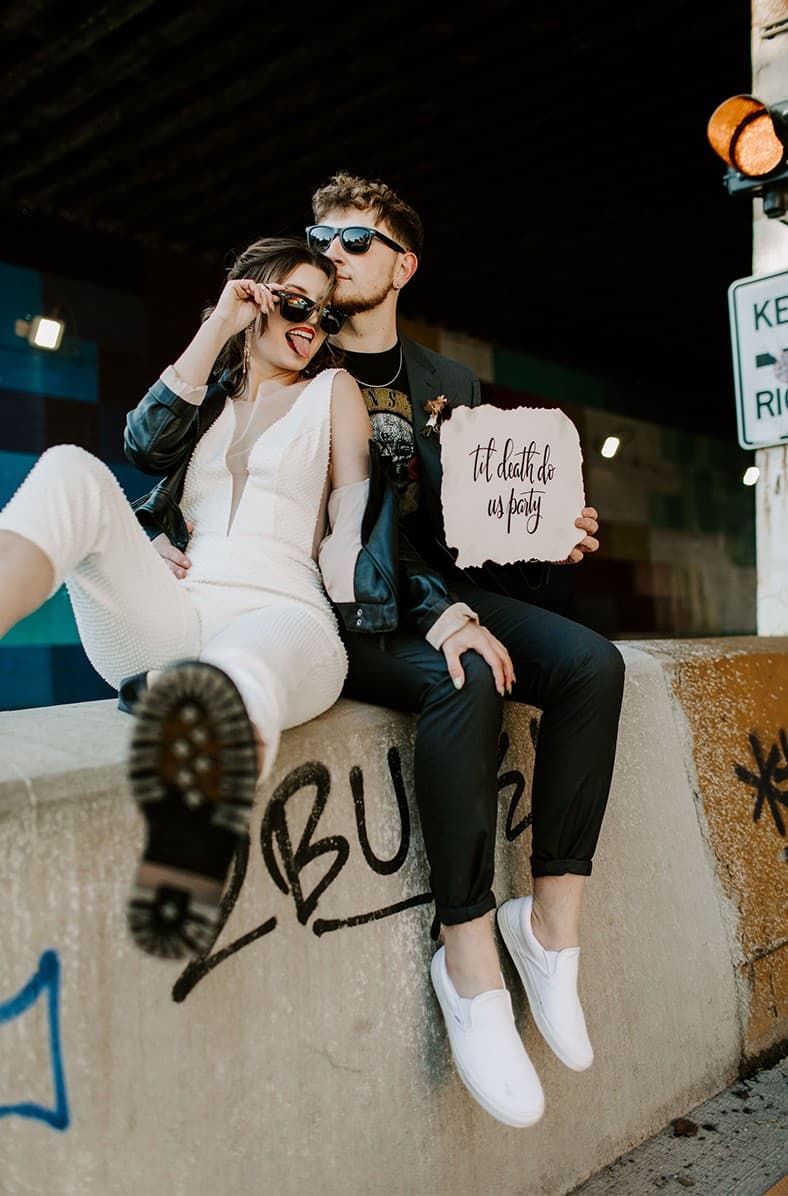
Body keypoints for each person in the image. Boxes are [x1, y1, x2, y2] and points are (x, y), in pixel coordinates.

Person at [155, 177, 627, 1129]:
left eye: (355, 240)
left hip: (444, 590)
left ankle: (549, 933)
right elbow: (203, 463)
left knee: (593, 666)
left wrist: (550, 539)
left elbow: (479, 548)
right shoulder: (292, 359)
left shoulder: (452, 389)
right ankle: (468, 963)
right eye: (318, 236)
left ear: (403, 264)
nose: (330, 251)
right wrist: (155, 534)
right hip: (342, 611)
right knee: (463, 680)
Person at [0, 235, 385, 964]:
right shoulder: (208, 398)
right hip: (176, 618)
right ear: (257, 295)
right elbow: (142, 446)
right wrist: (220, 326)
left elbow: (358, 526)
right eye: (297, 303)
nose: (311, 325)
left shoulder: (333, 392)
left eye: (326, 316)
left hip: (286, 619)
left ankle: (194, 829)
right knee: (71, 469)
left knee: (238, 670)